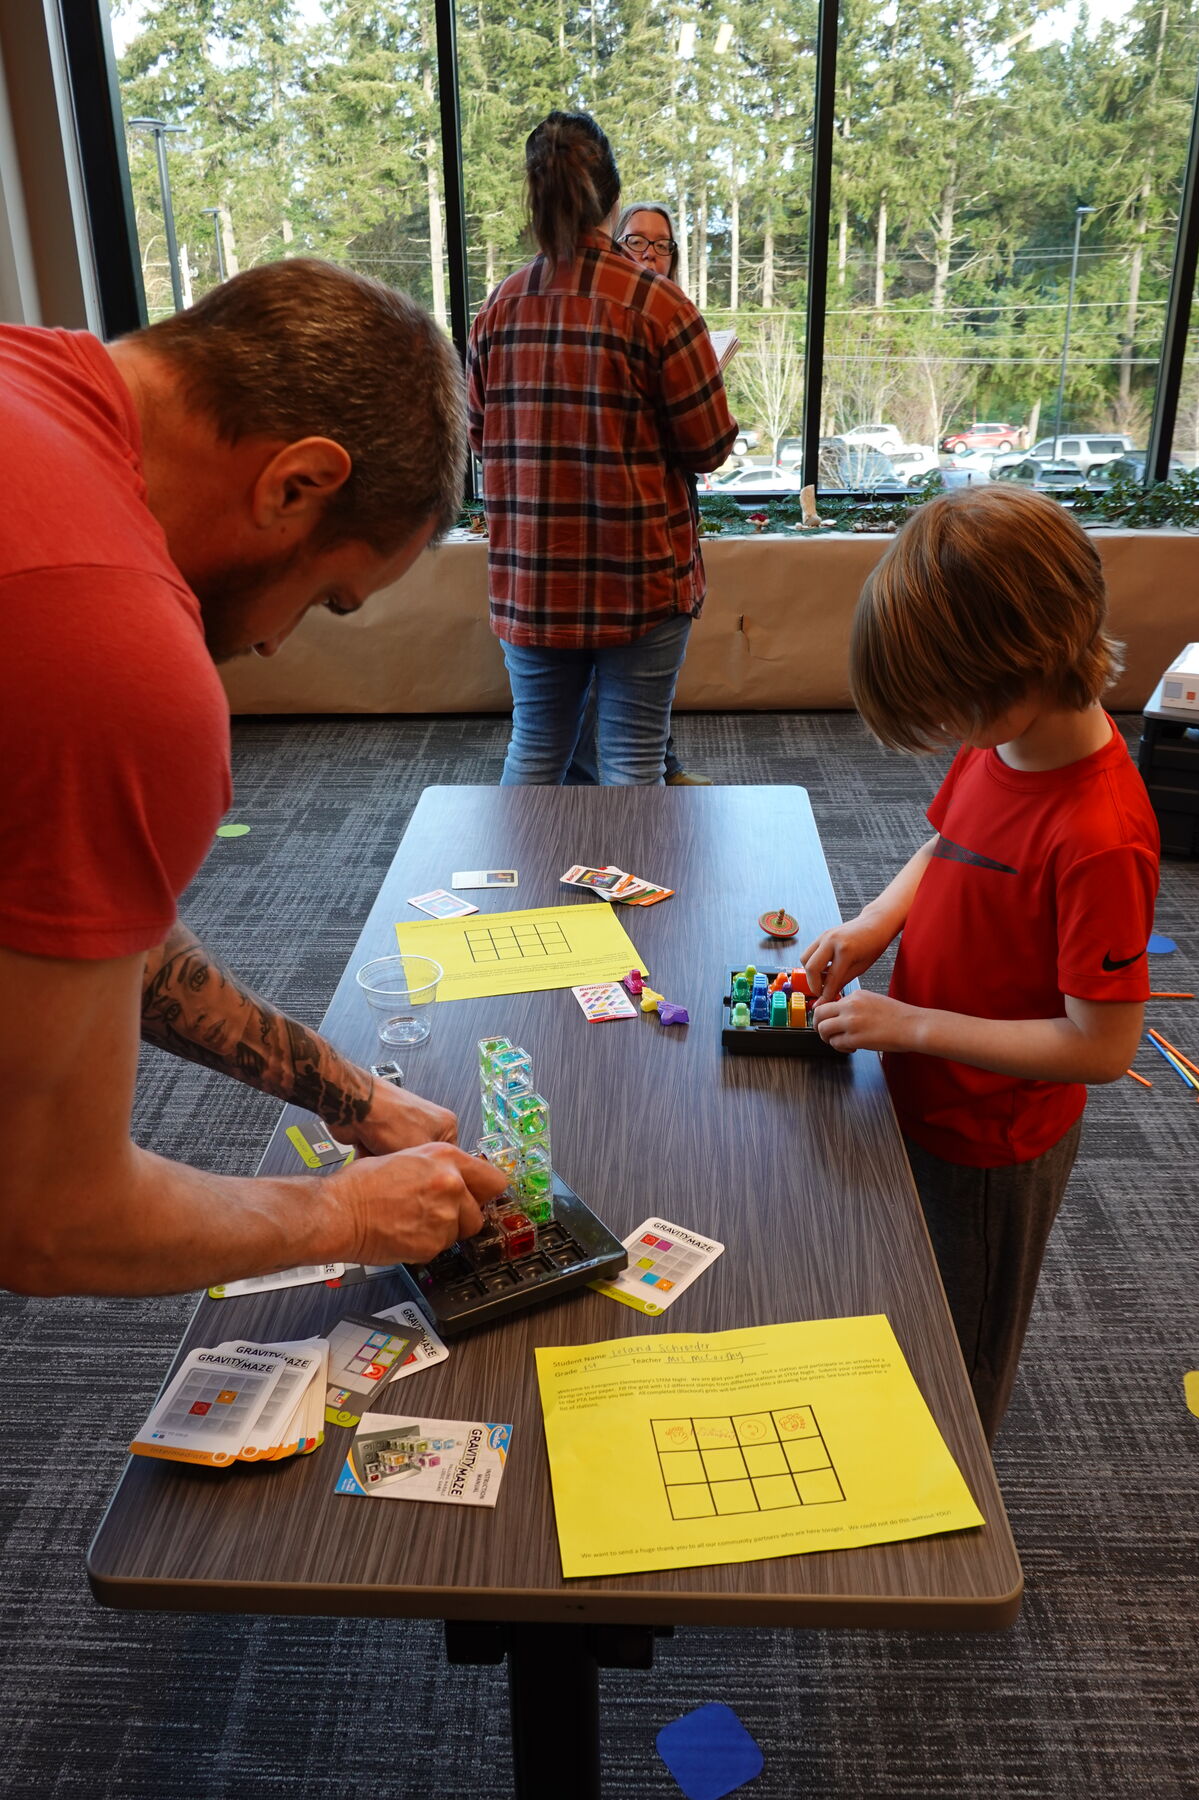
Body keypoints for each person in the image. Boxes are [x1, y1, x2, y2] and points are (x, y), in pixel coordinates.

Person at [0, 259, 507, 1299]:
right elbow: (49, 1218)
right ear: (296, 482)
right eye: (328, 598)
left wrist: (347, 1092)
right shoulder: (115, 649)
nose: (277, 645)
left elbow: (85, 920)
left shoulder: (27, 383)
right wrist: (346, 1211)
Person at [801, 485, 1159, 1444]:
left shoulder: (1100, 837)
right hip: (929, 1092)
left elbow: (1102, 1046)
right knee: (907, 1295)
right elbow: (946, 847)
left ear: (1019, 668)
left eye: (952, 707)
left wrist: (907, 1025)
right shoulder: (1002, 744)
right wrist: (878, 921)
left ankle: (954, 1505)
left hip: (994, 1146)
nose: (949, 733)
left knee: (963, 1349)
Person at [467, 112, 737, 785]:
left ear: (534, 202)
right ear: (614, 203)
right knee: (632, 763)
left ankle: (516, 893)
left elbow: (480, 439)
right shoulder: (660, 307)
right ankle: (626, 894)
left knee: (533, 754)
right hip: (640, 583)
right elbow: (707, 447)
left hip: (531, 584)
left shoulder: (499, 309)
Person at [565, 199, 713, 788]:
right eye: (637, 242)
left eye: (661, 245)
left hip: (663, 511)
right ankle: (609, 797)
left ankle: (660, 765)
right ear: (612, 241)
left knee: (638, 698)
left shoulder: (673, 315)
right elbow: (707, 442)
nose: (650, 254)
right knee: (602, 720)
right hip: (606, 532)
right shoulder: (609, 313)